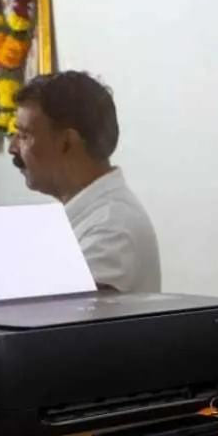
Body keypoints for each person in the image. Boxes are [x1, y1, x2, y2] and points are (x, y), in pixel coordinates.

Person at [9, 70, 162, 293]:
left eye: (24, 135)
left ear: (67, 143)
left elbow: (62, 321)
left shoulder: (111, 230)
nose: (13, 148)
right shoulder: (90, 214)